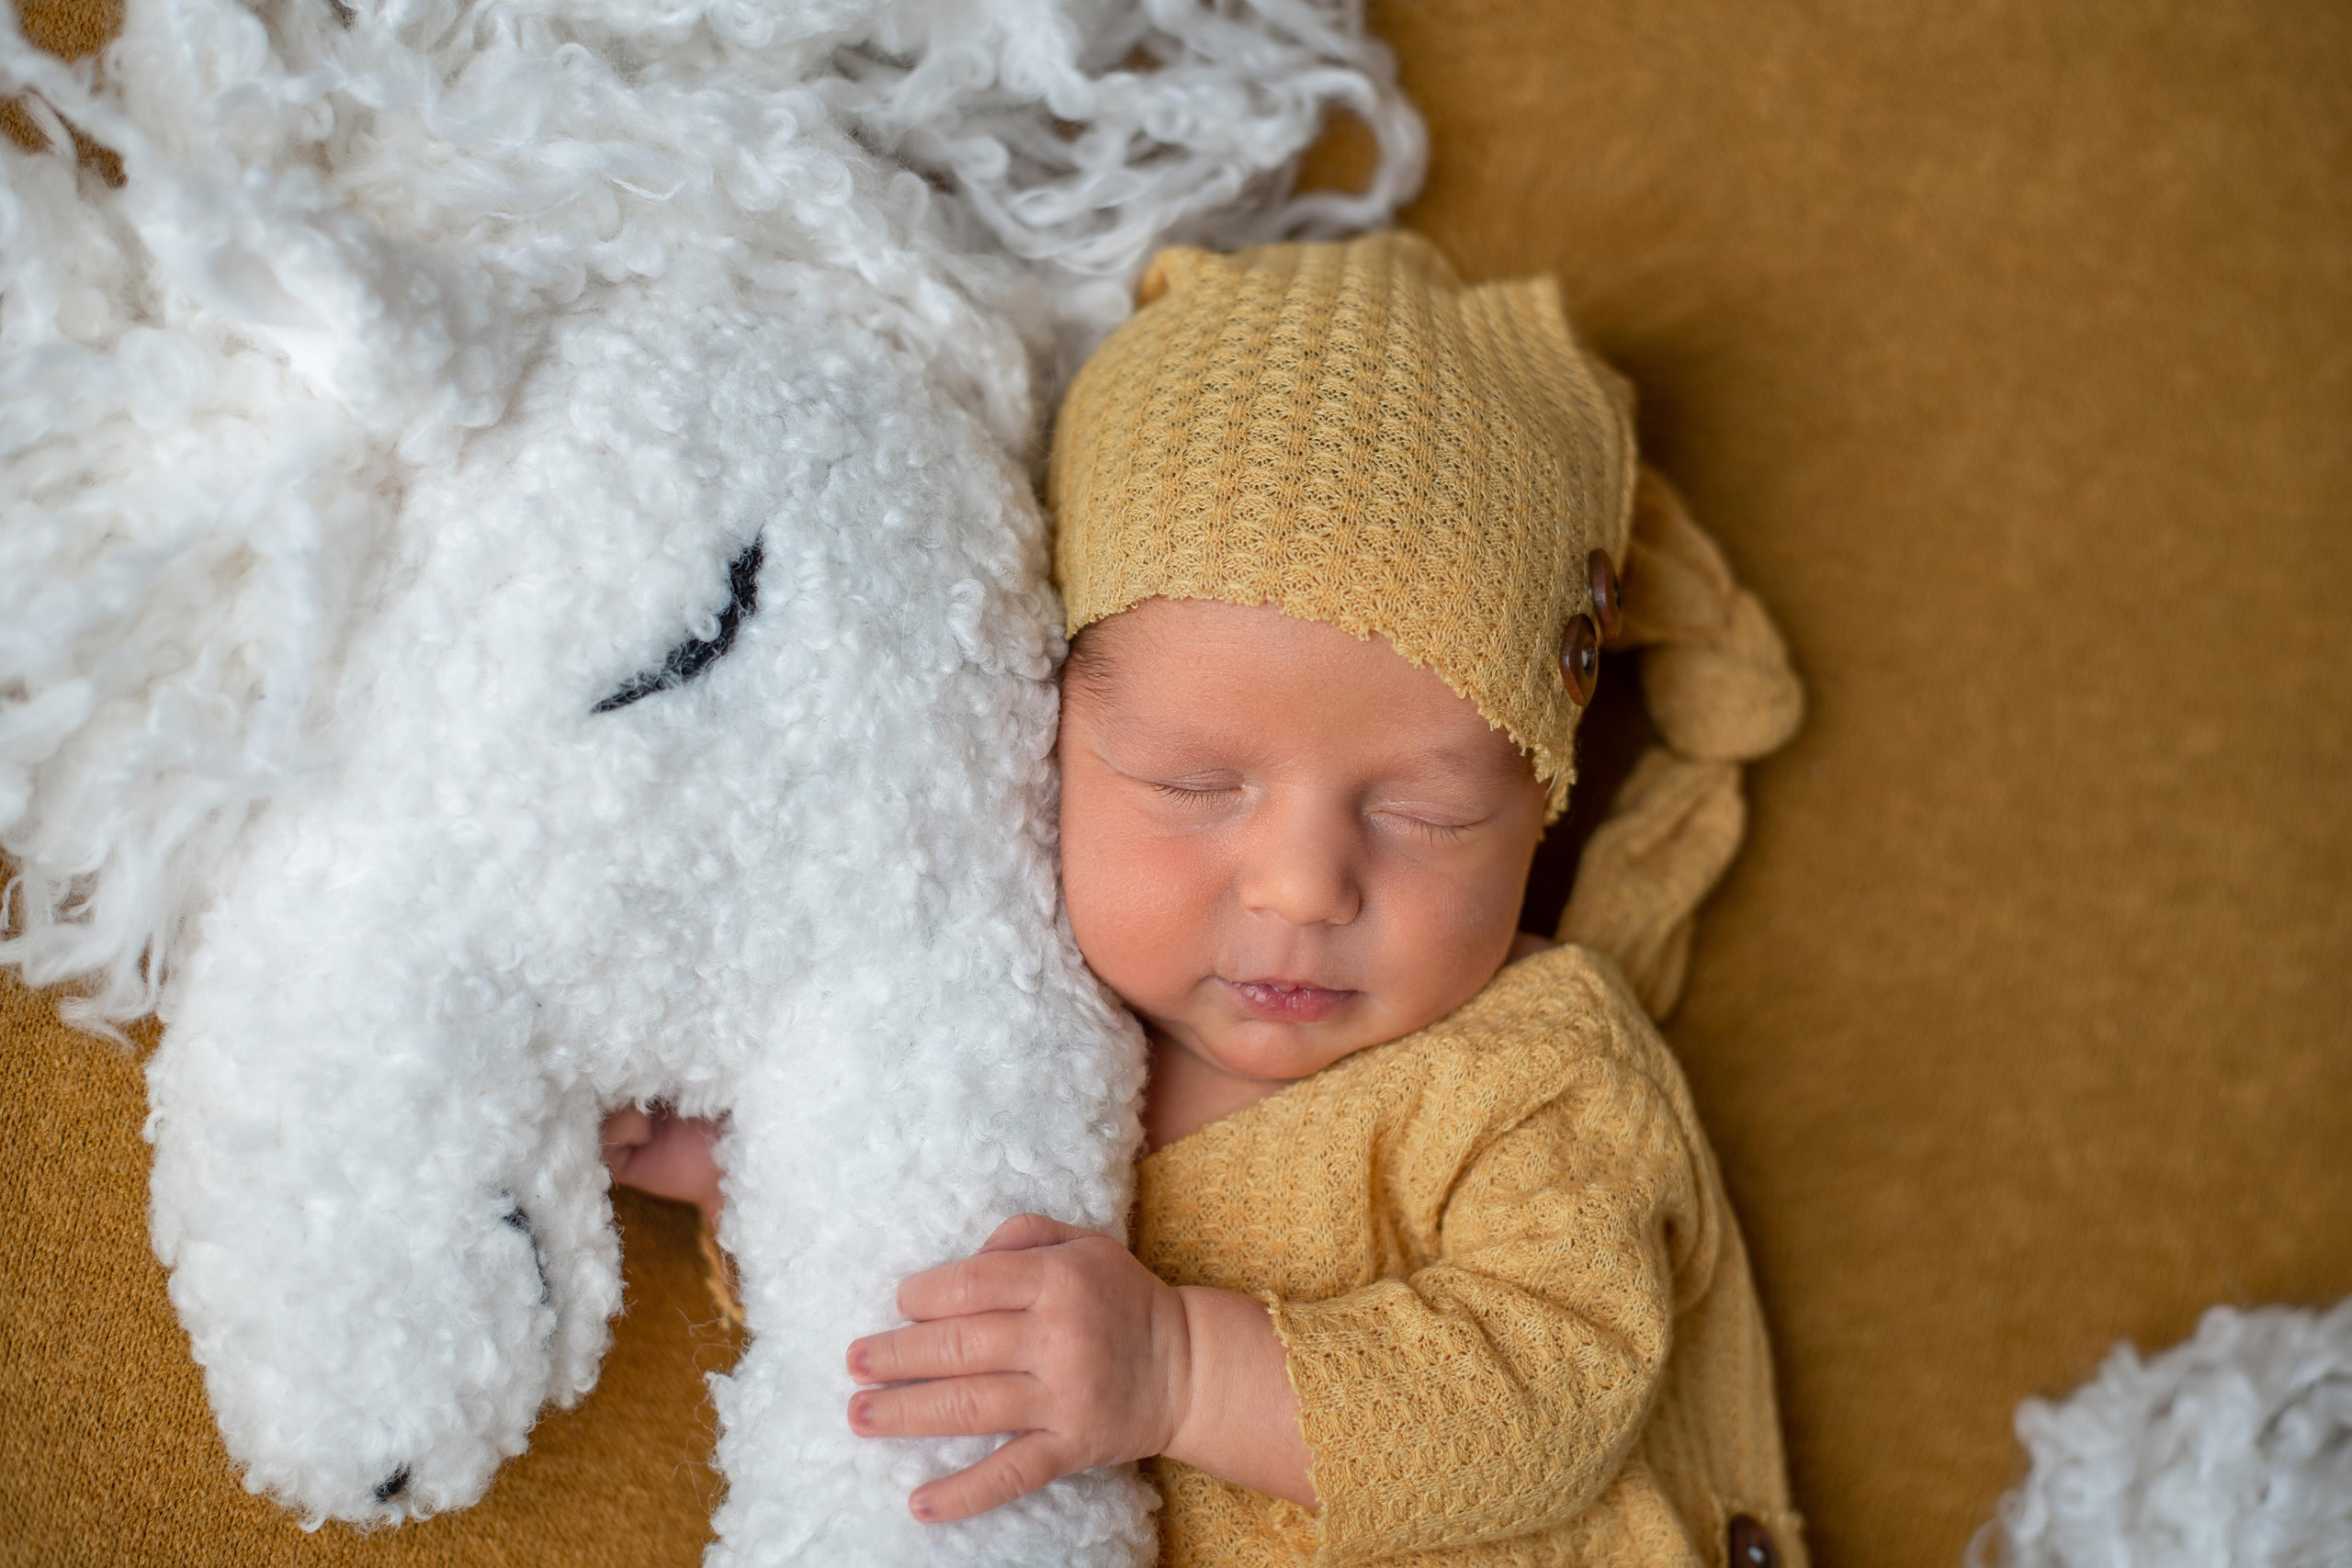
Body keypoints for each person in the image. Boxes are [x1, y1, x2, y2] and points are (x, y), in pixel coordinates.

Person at [604, 231, 1808, 1567]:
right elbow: (930, 1347)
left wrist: (1180, 1370)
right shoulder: (1005, 1037)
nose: (1303, 887)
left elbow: (1554, 1392)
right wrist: (758, 1179)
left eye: (1430, 814)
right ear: (1045, 740)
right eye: (1193, 784)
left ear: (1541, 808)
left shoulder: (1533, 1076)